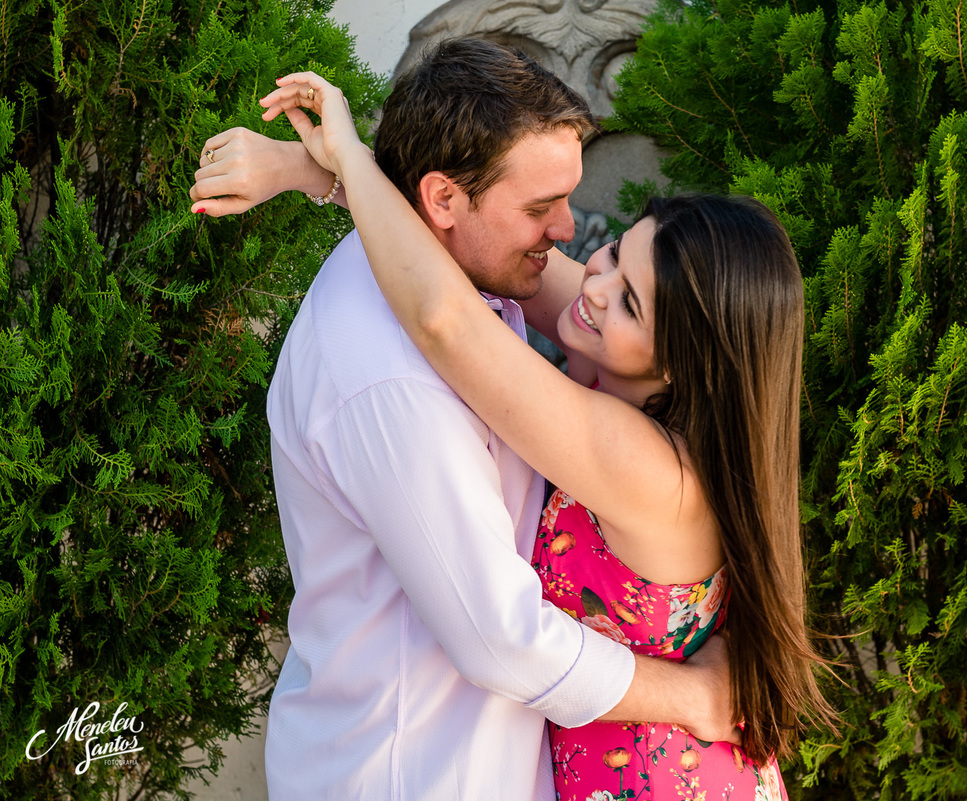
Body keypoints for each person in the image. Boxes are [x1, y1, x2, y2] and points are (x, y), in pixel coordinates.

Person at [231, 64, 842, 799]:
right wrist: (318, 174)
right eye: (614, 253)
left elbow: (445, 319)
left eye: (630, 302)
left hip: (665, 782)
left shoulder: (646, 463)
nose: (588, 275)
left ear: (682, 360)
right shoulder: (636, 362)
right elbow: (479, 245)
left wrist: (349, 161)